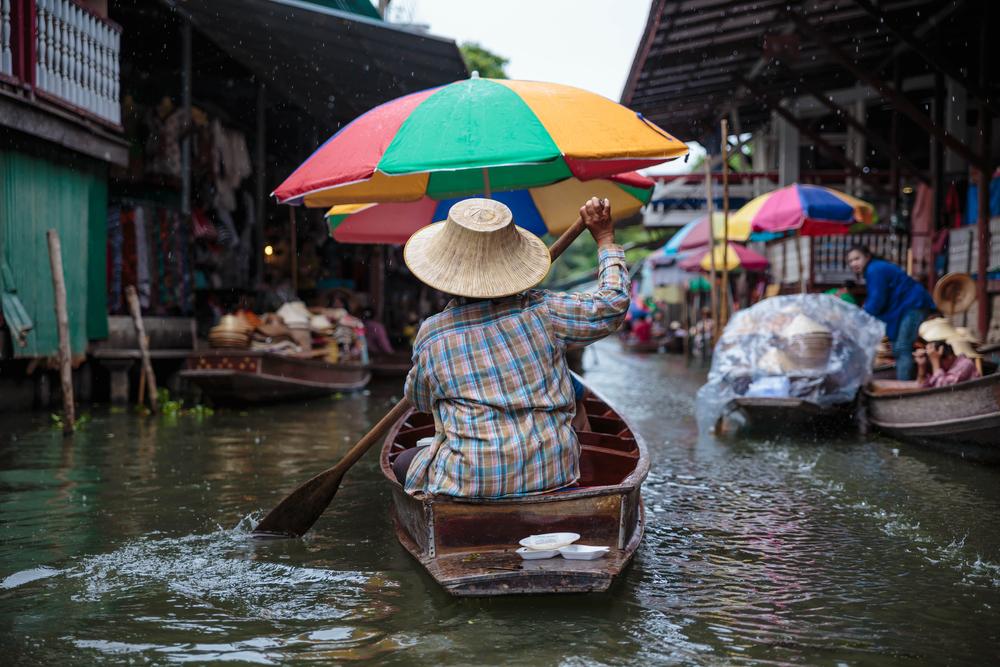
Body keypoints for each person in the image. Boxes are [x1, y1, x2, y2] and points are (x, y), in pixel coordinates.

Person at [393, 197, 628, 497]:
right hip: (553, 472)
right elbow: (612, 305)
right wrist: (606, 240)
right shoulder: (544, 311)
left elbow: (421, 401)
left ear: (446, 276)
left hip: (473, 482)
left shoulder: (431, 334)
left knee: (403, 463)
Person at [846, 245, 935, 380]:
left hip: (913, 305)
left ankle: (904, 387)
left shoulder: (874, 269)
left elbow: (877, 300)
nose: (854, 263)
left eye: (857, 258)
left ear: (867, 257)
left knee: (902, 347)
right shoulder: (874, 269)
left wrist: (861, 317)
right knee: (899, 348)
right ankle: (906, 382)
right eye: (850, 261)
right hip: (906, 307)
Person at [913, 318, 981, 388]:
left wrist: (936, 363)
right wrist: (922, 367)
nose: (940, 366)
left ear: (949, 356)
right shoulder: (939, 368)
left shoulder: (966, 364)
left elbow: (942, 389)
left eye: (940, 361)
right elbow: (922, 387)